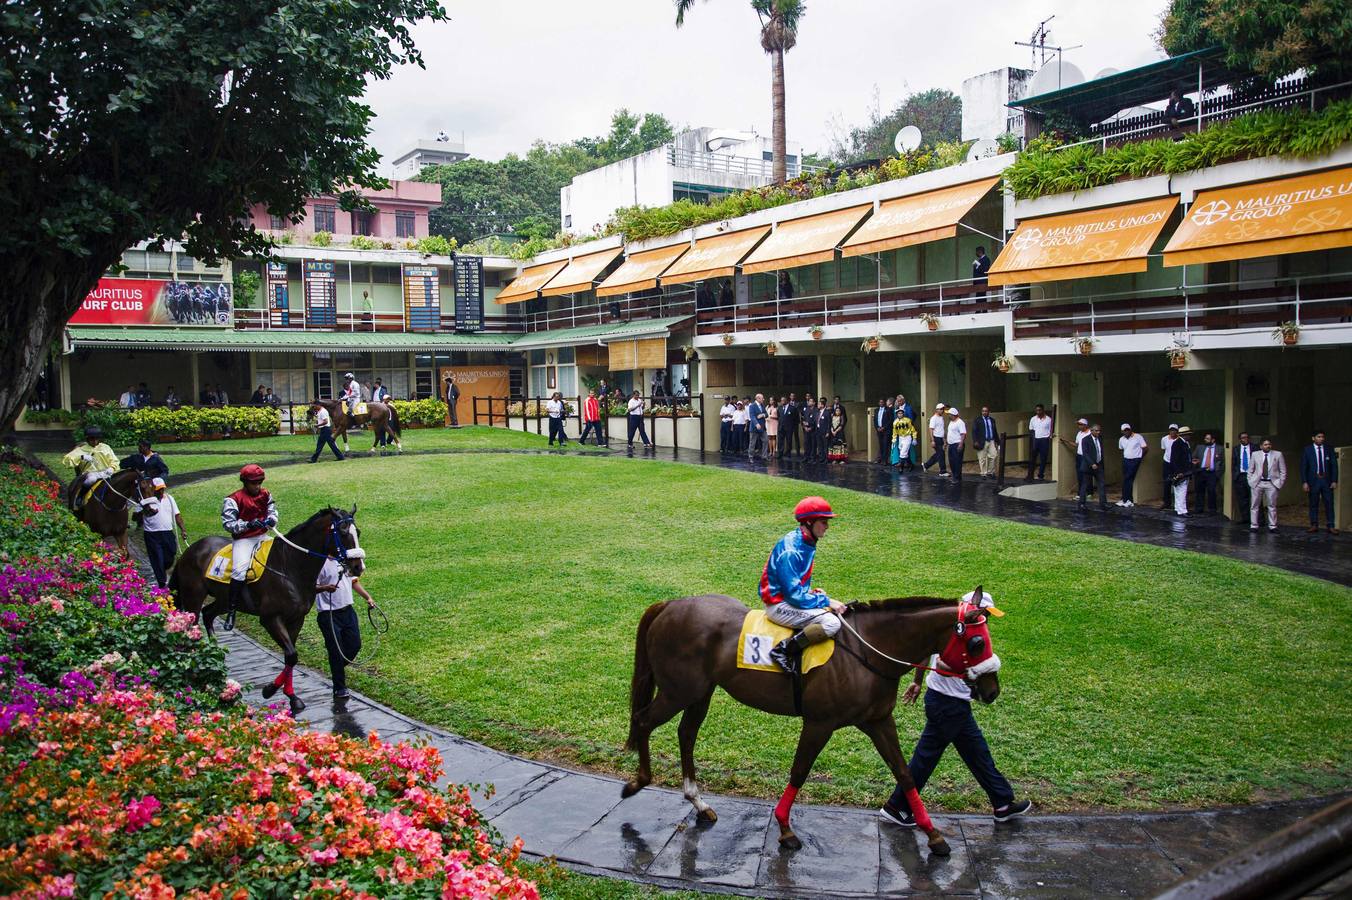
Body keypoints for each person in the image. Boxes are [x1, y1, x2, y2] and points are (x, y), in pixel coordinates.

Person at [879, 589, 1031, 829]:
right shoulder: (955, 630)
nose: (986, 618)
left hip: (953, 703)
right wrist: (921, 679)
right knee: (926, 758)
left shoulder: (969, 631)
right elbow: (930, 650)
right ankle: (897, 806)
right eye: (984, 612)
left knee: (977, 753)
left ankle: (1002, 802)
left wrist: (918, 682)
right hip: (946, 704)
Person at [760, 497, 846, 676]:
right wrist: (827, 600)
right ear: (809, 522)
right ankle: (783, 650)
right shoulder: (791, 550)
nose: (827, 526)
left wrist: (812, 593)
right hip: (779, 605)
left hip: (787, 599)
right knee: (831, 622)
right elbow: (794, 596)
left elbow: (796, 586)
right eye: (823, 522)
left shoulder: (805, 541)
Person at [221, 464, 278, 631]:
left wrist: (271, 520)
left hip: (263, 536)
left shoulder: (266, 494)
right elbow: (228, 524)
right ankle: (231, 610)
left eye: (260, 482)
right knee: (239, 570)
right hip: (244, 540)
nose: (258, 486)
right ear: (245, 482)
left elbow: (273, 511)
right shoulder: (233, 499)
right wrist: (248, 524)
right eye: (254, 483)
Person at [315, 555, 374, 701]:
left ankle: (337, 669)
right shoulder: (321, 563)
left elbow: (354, 582)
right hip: (328, 614)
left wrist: (368, 597)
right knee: (335, 651)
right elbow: (310, 587)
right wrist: (324, 588)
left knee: (355, 645)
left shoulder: (345, 561)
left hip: (347, 610)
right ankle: (339, 688)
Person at [135, 477, 186, 588]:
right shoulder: (146, 501)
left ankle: (162, 570)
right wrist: (143, 508)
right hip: (152, 534)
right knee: (157, 558)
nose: (161, 491)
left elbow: (177, 515)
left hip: (167, 532)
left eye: (163, 489)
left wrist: (183, 529)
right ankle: (162, 582)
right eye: (158, 489)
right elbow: (135, 517)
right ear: (153, 489)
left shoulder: (170, 498)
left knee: (170, 556)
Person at [61, 425, 118, 511]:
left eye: (96, 439)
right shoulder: (81, 449)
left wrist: (112, 468)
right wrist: (82, 457)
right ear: (87, 439)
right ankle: (80, 496)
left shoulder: (106, 447)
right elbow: (67, 460)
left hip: (105, 472)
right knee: (91, 480)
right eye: (92, 439)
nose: (94, 441)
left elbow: (114, 460)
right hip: (91, 473)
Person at [1301, 430, 1339, 534]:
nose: (1321, 439)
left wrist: (1334, 480)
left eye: (1322, 437)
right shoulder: (1307, 450)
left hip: (1326, 480)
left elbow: (1334, 466)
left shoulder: (1328, 449)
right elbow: (1304, 467)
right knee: (1313, 503)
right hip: (1314, 480)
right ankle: (1314, 524)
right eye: (1318, 437)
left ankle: (1330, 525)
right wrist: (1304, 482)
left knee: (1329, 503)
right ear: (1313, 438)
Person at [1248, 438, 1286, 532]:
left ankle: (1273, 526)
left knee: (1272, 505)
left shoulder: (1278, 454)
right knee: (1254, 505)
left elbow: (1283, 470)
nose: (1267, 446)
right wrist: (1250, 481)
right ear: (1261, 446)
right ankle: (1254, 525)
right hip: (1258, 482)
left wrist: (1280, 482)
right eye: (1265, 444)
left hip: (1272, 483)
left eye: (1269, 444)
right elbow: (1250, 469)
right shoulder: (1255, 454)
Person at [1192, 432, 1224, 515]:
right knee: (1199, 490)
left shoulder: (1220, 448)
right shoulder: (1200, 447)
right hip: (1201, 472)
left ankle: (1212, 509)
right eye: (1205, 438)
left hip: (1212, 473)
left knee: (1212, 491)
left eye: (1207, 439)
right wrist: (1195, 463)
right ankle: (1199, 508)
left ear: (1213, 440)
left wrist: (1218, 474)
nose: (1205, 440)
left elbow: (1222, 462)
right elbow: (1193, 457)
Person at [1117, 424, 1147, 507]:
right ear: (1122, 431)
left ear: (1130, 430)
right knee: (1125, 479)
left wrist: (1139, 458)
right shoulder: (1121, 439)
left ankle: (1129, 500)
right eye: (1125, 430)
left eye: (1128, 430)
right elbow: (1121, 449)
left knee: (1128, 478)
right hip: (1126, 459)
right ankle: (1124, 499)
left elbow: (1145, 448)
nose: (1127, 432)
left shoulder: (1138, 437)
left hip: (1135, 460)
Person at [1079, 423, 1107, 510]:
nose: (1098, 432)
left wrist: (1100, 463)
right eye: (1096, 431)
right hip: (1088, 466)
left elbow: (1100, 451)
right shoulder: (1085, 440)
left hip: (1099, 465)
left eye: (1099, 430)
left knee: (1101, 484)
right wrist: (1092, 463)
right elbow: (1085, 453)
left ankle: (1103, 504)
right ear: (1091, 431)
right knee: (1085, 485)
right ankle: (1082, 503)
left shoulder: (1100, 438)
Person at [1170, 426, 1194, 517]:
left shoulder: (1185, 443)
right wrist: (1178, 471)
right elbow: (1174, 459)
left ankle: (1178, 508)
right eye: (1188, 435)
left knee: (1180, 490)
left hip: (1185, 470)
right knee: (1182, 490)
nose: (1190, 436)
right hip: (1181, 471)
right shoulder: (1177, 443)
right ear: (1185, 435)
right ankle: (1182, 510)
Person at [1231, 433, 1254, 522]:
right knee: (1242, 499)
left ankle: (1259, 520)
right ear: (1240, 439)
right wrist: (1235, 476)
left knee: (1255, 499)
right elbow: (1234, 463)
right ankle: (1245, 518)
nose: (1245, 439)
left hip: (1251, 476)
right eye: (1243, 438)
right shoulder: (1236, 449)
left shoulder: (1254, 448)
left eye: (1247, 437)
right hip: (1240, 476)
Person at [973, 406, 1000, 477]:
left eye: (986, 411)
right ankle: (984, 473)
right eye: (983, 411)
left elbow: (995, 431)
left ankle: (990, 472)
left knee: (994, 455)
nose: (984, 412)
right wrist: (975, 441)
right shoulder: (977, 420)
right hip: (982, 441)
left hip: (991, 440)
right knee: (982, 458)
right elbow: (974, 431)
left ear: (989, 412)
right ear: (981, 412)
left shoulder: (992, 420)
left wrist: (998, 441)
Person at [1028, 405, 1052, 480]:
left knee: (1043, 459)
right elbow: (1031, 430)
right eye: (1037, 410)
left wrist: (1049, 437)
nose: (1038, 412)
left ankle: (1040, 475)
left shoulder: (1049, 419)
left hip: (1044, 440)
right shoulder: (1033, 419)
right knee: (1033, 458)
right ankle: (1030, 475)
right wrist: (1033, 439)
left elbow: (1051, 430)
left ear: (1043, 410)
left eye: (1040, 410)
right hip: (1036, 439)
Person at [924, 403, 948, 475]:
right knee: (941, 454)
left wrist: (944, 440)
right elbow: (931, 429)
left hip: (940, 438)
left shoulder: (941, 418)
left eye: (942, 409)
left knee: (939, 454)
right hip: (936, 438)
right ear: (937, 410)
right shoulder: (933, 418)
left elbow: (942, 430)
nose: (942, 410)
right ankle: (943, 471)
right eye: (940, 409)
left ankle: (926, 465)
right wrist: (932, 440)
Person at [892, 406, 917, 471]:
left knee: (903, 453)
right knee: (904, 454)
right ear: (897, 414)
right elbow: (894, 432)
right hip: (900, 438)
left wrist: (914, 438)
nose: (900, 414)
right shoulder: (895, 422)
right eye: (899, 413)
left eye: (901, 413)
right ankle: (911, 465)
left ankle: (901, 468)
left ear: (903, 413)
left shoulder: (908, 420)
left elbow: (913, 430)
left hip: (907, 437)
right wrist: (894, 440)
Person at [1161, 424, 1180, 510]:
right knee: (1166, 482)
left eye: (1174, 430)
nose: (1173, 432)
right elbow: (1164, 449)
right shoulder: (1164, 439)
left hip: (1177, 463)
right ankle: (1167, 502)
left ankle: (1178, 504)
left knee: (1177, 482)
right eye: (1171, 430)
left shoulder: (1180, 440)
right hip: (1167, 462)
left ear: (1177, 431)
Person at [946, 407, 967, 483]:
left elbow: (963, 434)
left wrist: (961, 444)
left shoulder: (960, 422)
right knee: (951, 461)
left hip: (957, 444)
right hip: (951, 444)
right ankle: (955, 476)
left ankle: (957, 478)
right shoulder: (951, 422)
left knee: (957, 461)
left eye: (949, 414)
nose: (948, 416)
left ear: (953, 415)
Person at [875, 397, 895, 465]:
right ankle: (880, 459)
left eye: (882, 402)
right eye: (880, 402)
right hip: (879, 430)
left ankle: (885, 460)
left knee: (886, 445)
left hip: (886, 431)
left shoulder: (888, 409)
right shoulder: (876, 410)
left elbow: (890, 420)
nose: (881, 403)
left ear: (884, 403)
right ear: (878, 403)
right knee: (880, 445)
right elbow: (875, 420)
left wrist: (884, 427)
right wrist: (877, 427)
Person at [779, 393, 800, 459]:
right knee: (780, 441)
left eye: (783, 400)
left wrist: (793, 426)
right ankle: (780, 453)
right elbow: (779, 417)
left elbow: (796, 418)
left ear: (787, 401)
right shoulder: (779, 408)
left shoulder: (793, 408)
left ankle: (788, 453)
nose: (782, 402)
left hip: (789, 427)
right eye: (781, 400)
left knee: (789, 440)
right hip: (781, 427)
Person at [747, 393, 767, 460]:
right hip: (754, 428)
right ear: (758, 398)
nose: (763, 399)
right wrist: (756, 424)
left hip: (762, 427)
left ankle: (764, 456)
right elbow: (752, 416)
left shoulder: (762, 405)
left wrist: (763, 415)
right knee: (752, 443)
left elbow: (766, 414)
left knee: (766, 440)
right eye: (762, 398)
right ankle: (751, 457)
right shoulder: (752, 406)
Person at [801, 397, 819, 462]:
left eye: (811, 401)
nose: (809, 402)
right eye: (808, 401)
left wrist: (811, 427)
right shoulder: (806, 410)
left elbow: (816, 421)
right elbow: (803, 419)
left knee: (813, 444)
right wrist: (804, 426)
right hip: (806, 430)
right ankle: (806, 457)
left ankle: (812, 458)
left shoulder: (816, 410)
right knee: (806, 444)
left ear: (814, 403)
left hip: (813, 430)